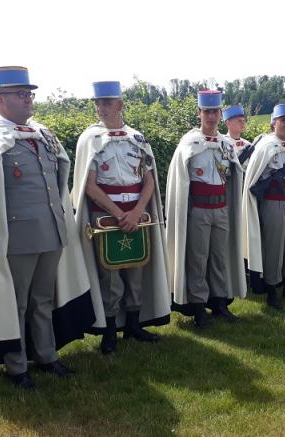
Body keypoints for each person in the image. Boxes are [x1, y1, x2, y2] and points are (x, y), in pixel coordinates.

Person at [0, 66, 95, 389]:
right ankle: (17, 366)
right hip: (17, 238)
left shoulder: (42, 134)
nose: (28, 100)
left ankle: (46, 356)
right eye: (21, 94)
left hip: (51, 232)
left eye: (29, 94)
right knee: (16, 302)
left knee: (42, 299)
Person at [72, 81, 171, 354]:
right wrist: (118, 214)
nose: (101, 108)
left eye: (106, 103)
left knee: (136, 273)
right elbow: (88, 186)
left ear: (120, 105)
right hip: (107, 217)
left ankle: (134, 326)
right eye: (98, 103)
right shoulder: (90, 139)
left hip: (136, 216)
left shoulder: (137, 139)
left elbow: (149, 180)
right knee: (111, 277)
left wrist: (137, 211)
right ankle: (111, 330)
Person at [166, 90, 246, 327]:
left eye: (215, 112)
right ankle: (198, 307)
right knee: (198, 260)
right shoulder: (189, 143)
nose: (211, 117)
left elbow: (233, 177)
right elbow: (180, 180)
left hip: (221, 209)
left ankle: (219, 303)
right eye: (207, 112)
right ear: (199, 113)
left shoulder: (226, 144)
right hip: (198, 210)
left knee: (219, 258)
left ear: (221, 114)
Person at [242, 103, 285, 309]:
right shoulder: (266, 147)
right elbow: (254, 179)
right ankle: (272, 288)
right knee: (274, 247)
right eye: (284, 121)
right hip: (273, 203)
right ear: (273, 123)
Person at [222, 104, 251, 171]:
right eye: (239, 121)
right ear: (228, 123)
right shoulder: (222, 143)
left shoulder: (248, 145)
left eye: (243, 120)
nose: (242, 123)